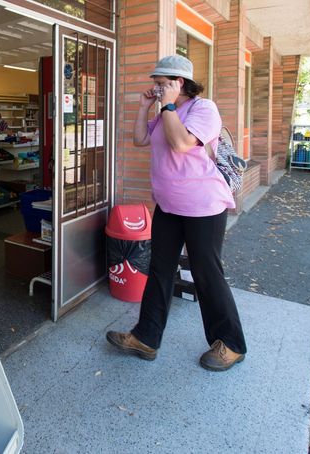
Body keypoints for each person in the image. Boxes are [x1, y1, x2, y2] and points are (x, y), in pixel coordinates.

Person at [106, 55, 247, 372]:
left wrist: (167, 107)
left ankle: (232, 344)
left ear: (179, 82)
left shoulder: (203, 109)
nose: (156, 88)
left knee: (206, 273)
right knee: (159, 270)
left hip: (203, 207)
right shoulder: (165, 111)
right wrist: (145, 107)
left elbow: (182, 143)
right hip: (169, 207)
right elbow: (140, 139)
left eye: (161, 83)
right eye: (155, 84)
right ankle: (146, 338)